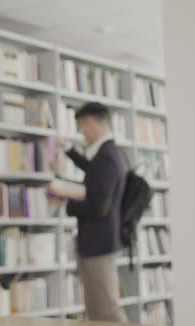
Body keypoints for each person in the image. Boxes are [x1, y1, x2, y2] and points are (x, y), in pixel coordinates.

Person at [63, 102, 128, 322]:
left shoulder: (106, 157)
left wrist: (67, 203)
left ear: (92, 123)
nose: (83, 133)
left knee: (106, 311)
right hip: (98, 243)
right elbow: (94, 173)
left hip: (98, 244)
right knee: (96, 312)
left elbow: (99, 205)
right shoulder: (107, 154)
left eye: (83, 127)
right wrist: (69, 151)